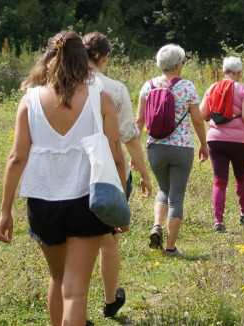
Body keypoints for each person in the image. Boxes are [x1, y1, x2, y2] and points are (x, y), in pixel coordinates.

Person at [0, 30, 126, 326]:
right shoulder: (99, 98)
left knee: (57, 279)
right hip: (87, 201)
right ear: (84, 61)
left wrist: (5, 210)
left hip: (42, 202)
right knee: (76, 291)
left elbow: (16, 158)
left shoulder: (29, 100)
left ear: (49, 57)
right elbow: (117, 157)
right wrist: (120, 204)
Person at [83, 32, 153, 318]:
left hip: (75, 174)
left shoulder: (64, 85)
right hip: (108, 173)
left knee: (74, 242)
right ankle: (111, 300)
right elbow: (129, 137)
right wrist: (145, 175)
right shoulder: (113, 88)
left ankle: (76, 308)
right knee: (108, 240)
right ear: (105, 56)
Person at [136, 44, 208, 257]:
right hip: (181, 148)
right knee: (176, 197)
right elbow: (197, 119)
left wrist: (136, 150)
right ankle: (170, 248)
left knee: (163, 188)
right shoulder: (187, 87)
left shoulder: (147, 86)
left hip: (155, 147)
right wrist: (204, 144)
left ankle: (157, 225)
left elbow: (139, 120)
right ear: (178, 65)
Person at [199, 56, 244, 233]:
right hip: (239, 142)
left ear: (224, 71)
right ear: (239, 72)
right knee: (241, 176)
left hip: (215, 140)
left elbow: (203, 114)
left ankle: (218, 222)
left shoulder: (212, 88)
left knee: (219, 180)